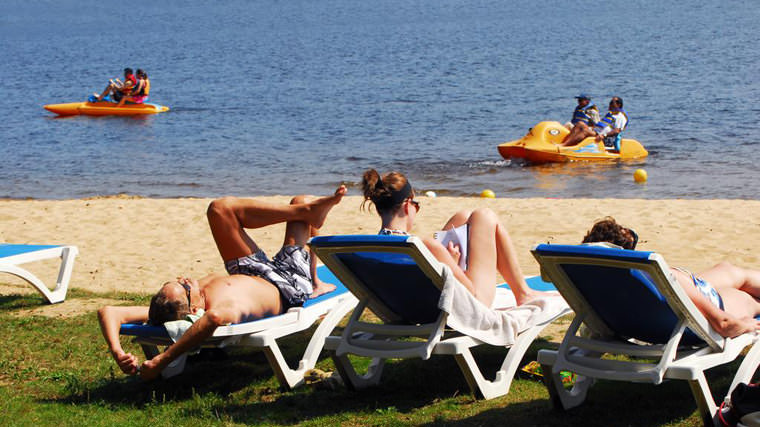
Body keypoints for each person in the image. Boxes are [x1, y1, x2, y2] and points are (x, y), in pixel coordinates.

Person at [97, 186, 346, 379]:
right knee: (301, 199)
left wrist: (118, 353)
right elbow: (213, 319)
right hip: (286, 283)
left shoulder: (173, 306)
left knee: (219, 210)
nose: (184, 279)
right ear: (193, 310)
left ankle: (307, 213)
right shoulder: (219, 309)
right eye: (184, 287)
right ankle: (307, 226)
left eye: (174, 281)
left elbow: (109, 311)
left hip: (250, 269)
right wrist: (160, 362)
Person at [361, 169, 553, 307]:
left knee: (462, 217)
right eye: (416, 205)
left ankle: (523, 292)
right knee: (484, 215)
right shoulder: (423, 245)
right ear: (407, 205)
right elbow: (469, 291)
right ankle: (523, 293)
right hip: (465, 306)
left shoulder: (370, 248)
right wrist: (451, 263)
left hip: (406, 308)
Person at [582, 217, 760, 338]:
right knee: (748, 297)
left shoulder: (591, 280)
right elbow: (724, 324)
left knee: (726, 269)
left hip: (672, 302)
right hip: (691, 308)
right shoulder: (654, 275)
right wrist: (745, 325)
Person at [561, 97, 628, 150]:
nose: (609, 104)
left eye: (612, 103)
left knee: (585, 131)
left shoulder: (620, 116)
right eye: (610, 102)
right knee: (580, 124)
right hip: (596, 132)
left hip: (604, 138)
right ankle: (566, 143)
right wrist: (592, 128)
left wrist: (604, 135)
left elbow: (617, 130)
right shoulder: (612, 114)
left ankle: (564, 146)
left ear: (618, 105)